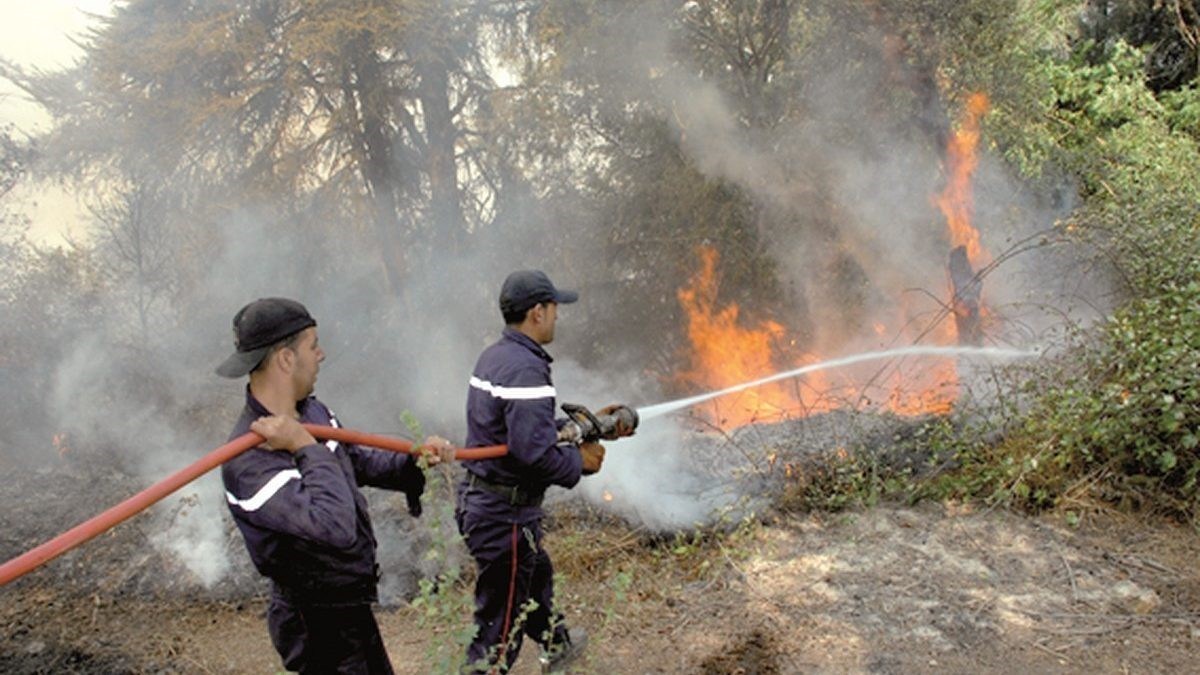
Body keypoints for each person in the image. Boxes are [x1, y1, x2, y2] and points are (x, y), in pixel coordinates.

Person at [216, 297, 452, 674]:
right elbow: (333, 526)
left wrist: (415, 461)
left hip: (349, 608)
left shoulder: (312, 412)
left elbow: (355, 461)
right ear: (286, 359)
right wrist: (303, 446)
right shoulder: (248, 463)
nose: (321, 355)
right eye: (313, 345)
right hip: (314, 626)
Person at [457, 270, 618, 674]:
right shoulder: (526, 370)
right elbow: (533, 453)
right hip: (503, 515)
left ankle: (556, 644)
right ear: (537, 312)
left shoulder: (496, 356)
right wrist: (579, 462)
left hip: (489, 503)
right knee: (498, 630)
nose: (557, 316)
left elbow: (522, 433)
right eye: (554, 308)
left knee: (534, 576)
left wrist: (580, 430)